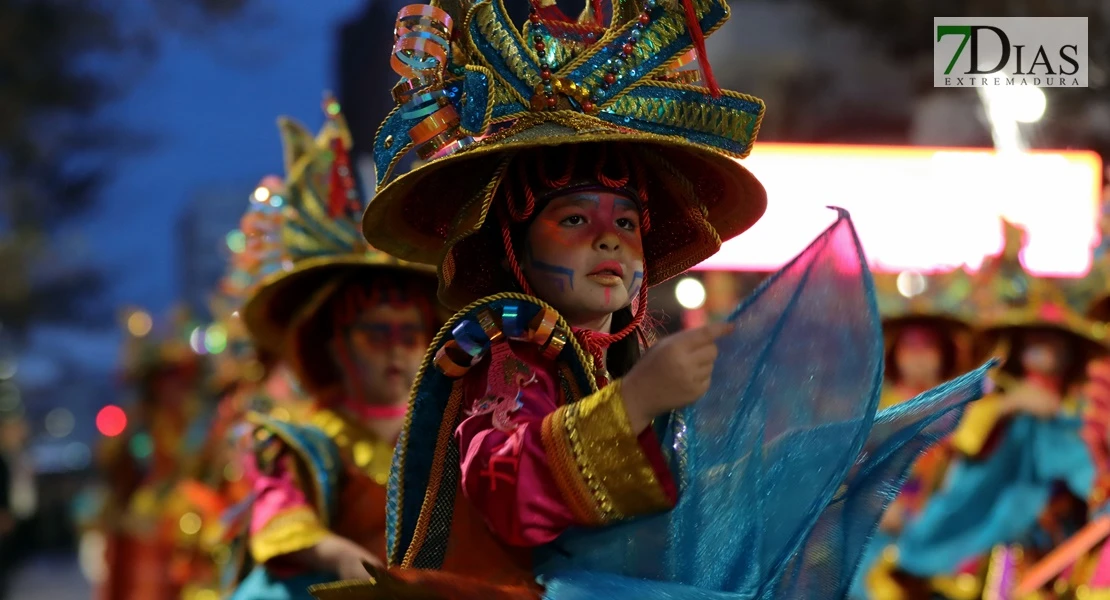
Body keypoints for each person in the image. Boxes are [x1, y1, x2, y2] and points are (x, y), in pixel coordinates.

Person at [307, 0, 992, 597]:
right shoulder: (508, 343)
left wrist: (788, 463)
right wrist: (636, 404)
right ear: (512, 241)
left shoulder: (606, 359)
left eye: (627, 223)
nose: (609, 240)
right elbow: (505, 490)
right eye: (575, 219)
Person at [228, 98, 442, 599]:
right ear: (330, 341)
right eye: (375, 333)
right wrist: (334, 552)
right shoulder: (301, 441)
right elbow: (278, 514)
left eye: (410, 334)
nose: (396, 351)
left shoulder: (451, 434)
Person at [892, 263, 1104, 599]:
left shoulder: (1083, 411)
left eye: (1052, 341)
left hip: (1061, 544)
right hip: (983, 542)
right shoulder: (997, 403)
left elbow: (1088, 473)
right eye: (1034, 340)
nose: (1042, 350)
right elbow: (966, 454)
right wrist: (1010, 406)